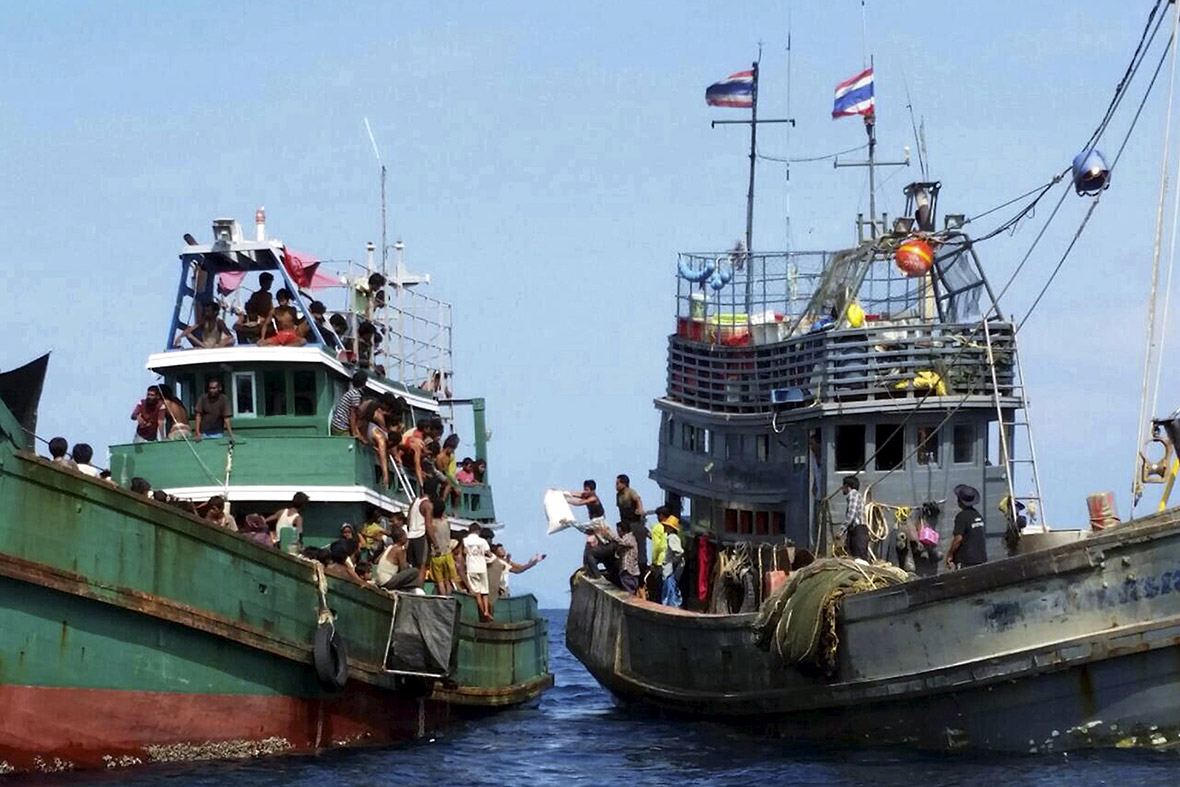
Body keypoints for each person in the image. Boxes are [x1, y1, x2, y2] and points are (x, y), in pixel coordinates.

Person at [946, 484, 988, 569]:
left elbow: (958, 539)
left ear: (960, 501)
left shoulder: (961, 516)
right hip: (981, 559)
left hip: (967, 561)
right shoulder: (978, 515)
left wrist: (950, 554)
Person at [616, 474, 647, 575]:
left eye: (618, 483)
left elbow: (637, 499)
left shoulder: (630, 492)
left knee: (638, 546)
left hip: (635, 522)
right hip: (626, 523)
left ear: (624, 484)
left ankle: (641, 569)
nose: (616, 486)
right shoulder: (619, 495)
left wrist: (640, 509)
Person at [463, 523, 493, 621]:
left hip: (471, 568)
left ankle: (481, 612)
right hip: (482, 567)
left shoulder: (465, 540)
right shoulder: (482, 541)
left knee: (477, 592)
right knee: (485, 591)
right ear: (478, 531)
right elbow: (488, 553)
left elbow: (464, 552)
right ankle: (486, 611)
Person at [427, 498, 457, 595]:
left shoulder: (432, 524)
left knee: (440, 581)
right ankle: (449, 596)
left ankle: (443, 597)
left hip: (436, 555)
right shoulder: (446, 522)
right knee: (447, 580)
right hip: (447, 554)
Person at [234, 272, 275, 344]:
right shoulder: (256, 295)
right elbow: (250, 309)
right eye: (268, 282)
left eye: (269, 282)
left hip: (266, 322)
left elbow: (271, 310)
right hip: (257, 321)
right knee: (239, 327)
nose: (269, 284)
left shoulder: (269, 295)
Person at [405, 490, 433, 586]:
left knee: (413, 566)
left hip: (411, 535)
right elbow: (428, 526)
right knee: (422, 566)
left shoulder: (414, 502)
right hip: (421, 536)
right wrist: (435, 542)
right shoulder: (427, 505)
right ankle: (418, 588)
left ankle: (411, 586)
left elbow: (408, 520)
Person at [842, 476, 870, 561]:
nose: (842, 489)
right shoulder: (856, 495)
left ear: (847, 486)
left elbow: (851, 514)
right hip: (856, 531)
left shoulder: (853, 494)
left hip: (858, 531)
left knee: (859, 560)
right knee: (855, 558)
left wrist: (841, 531)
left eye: (843, 486)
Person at [661, 516, 685, 607]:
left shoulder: (672, 538)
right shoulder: (670, 537)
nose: (665, 527)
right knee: (669, 588)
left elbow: (679, 552)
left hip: (670, 569)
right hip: (669, 568)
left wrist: (674, 562)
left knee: (670, 590)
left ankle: (672, 606)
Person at [615, 521, 640, 594]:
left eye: (618, 531)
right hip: (630, 569)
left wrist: (610, 535)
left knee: (629, 590)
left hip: (629, 569)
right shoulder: (629, 538)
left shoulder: (628, 538)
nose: (618, 533)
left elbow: (623, 543)